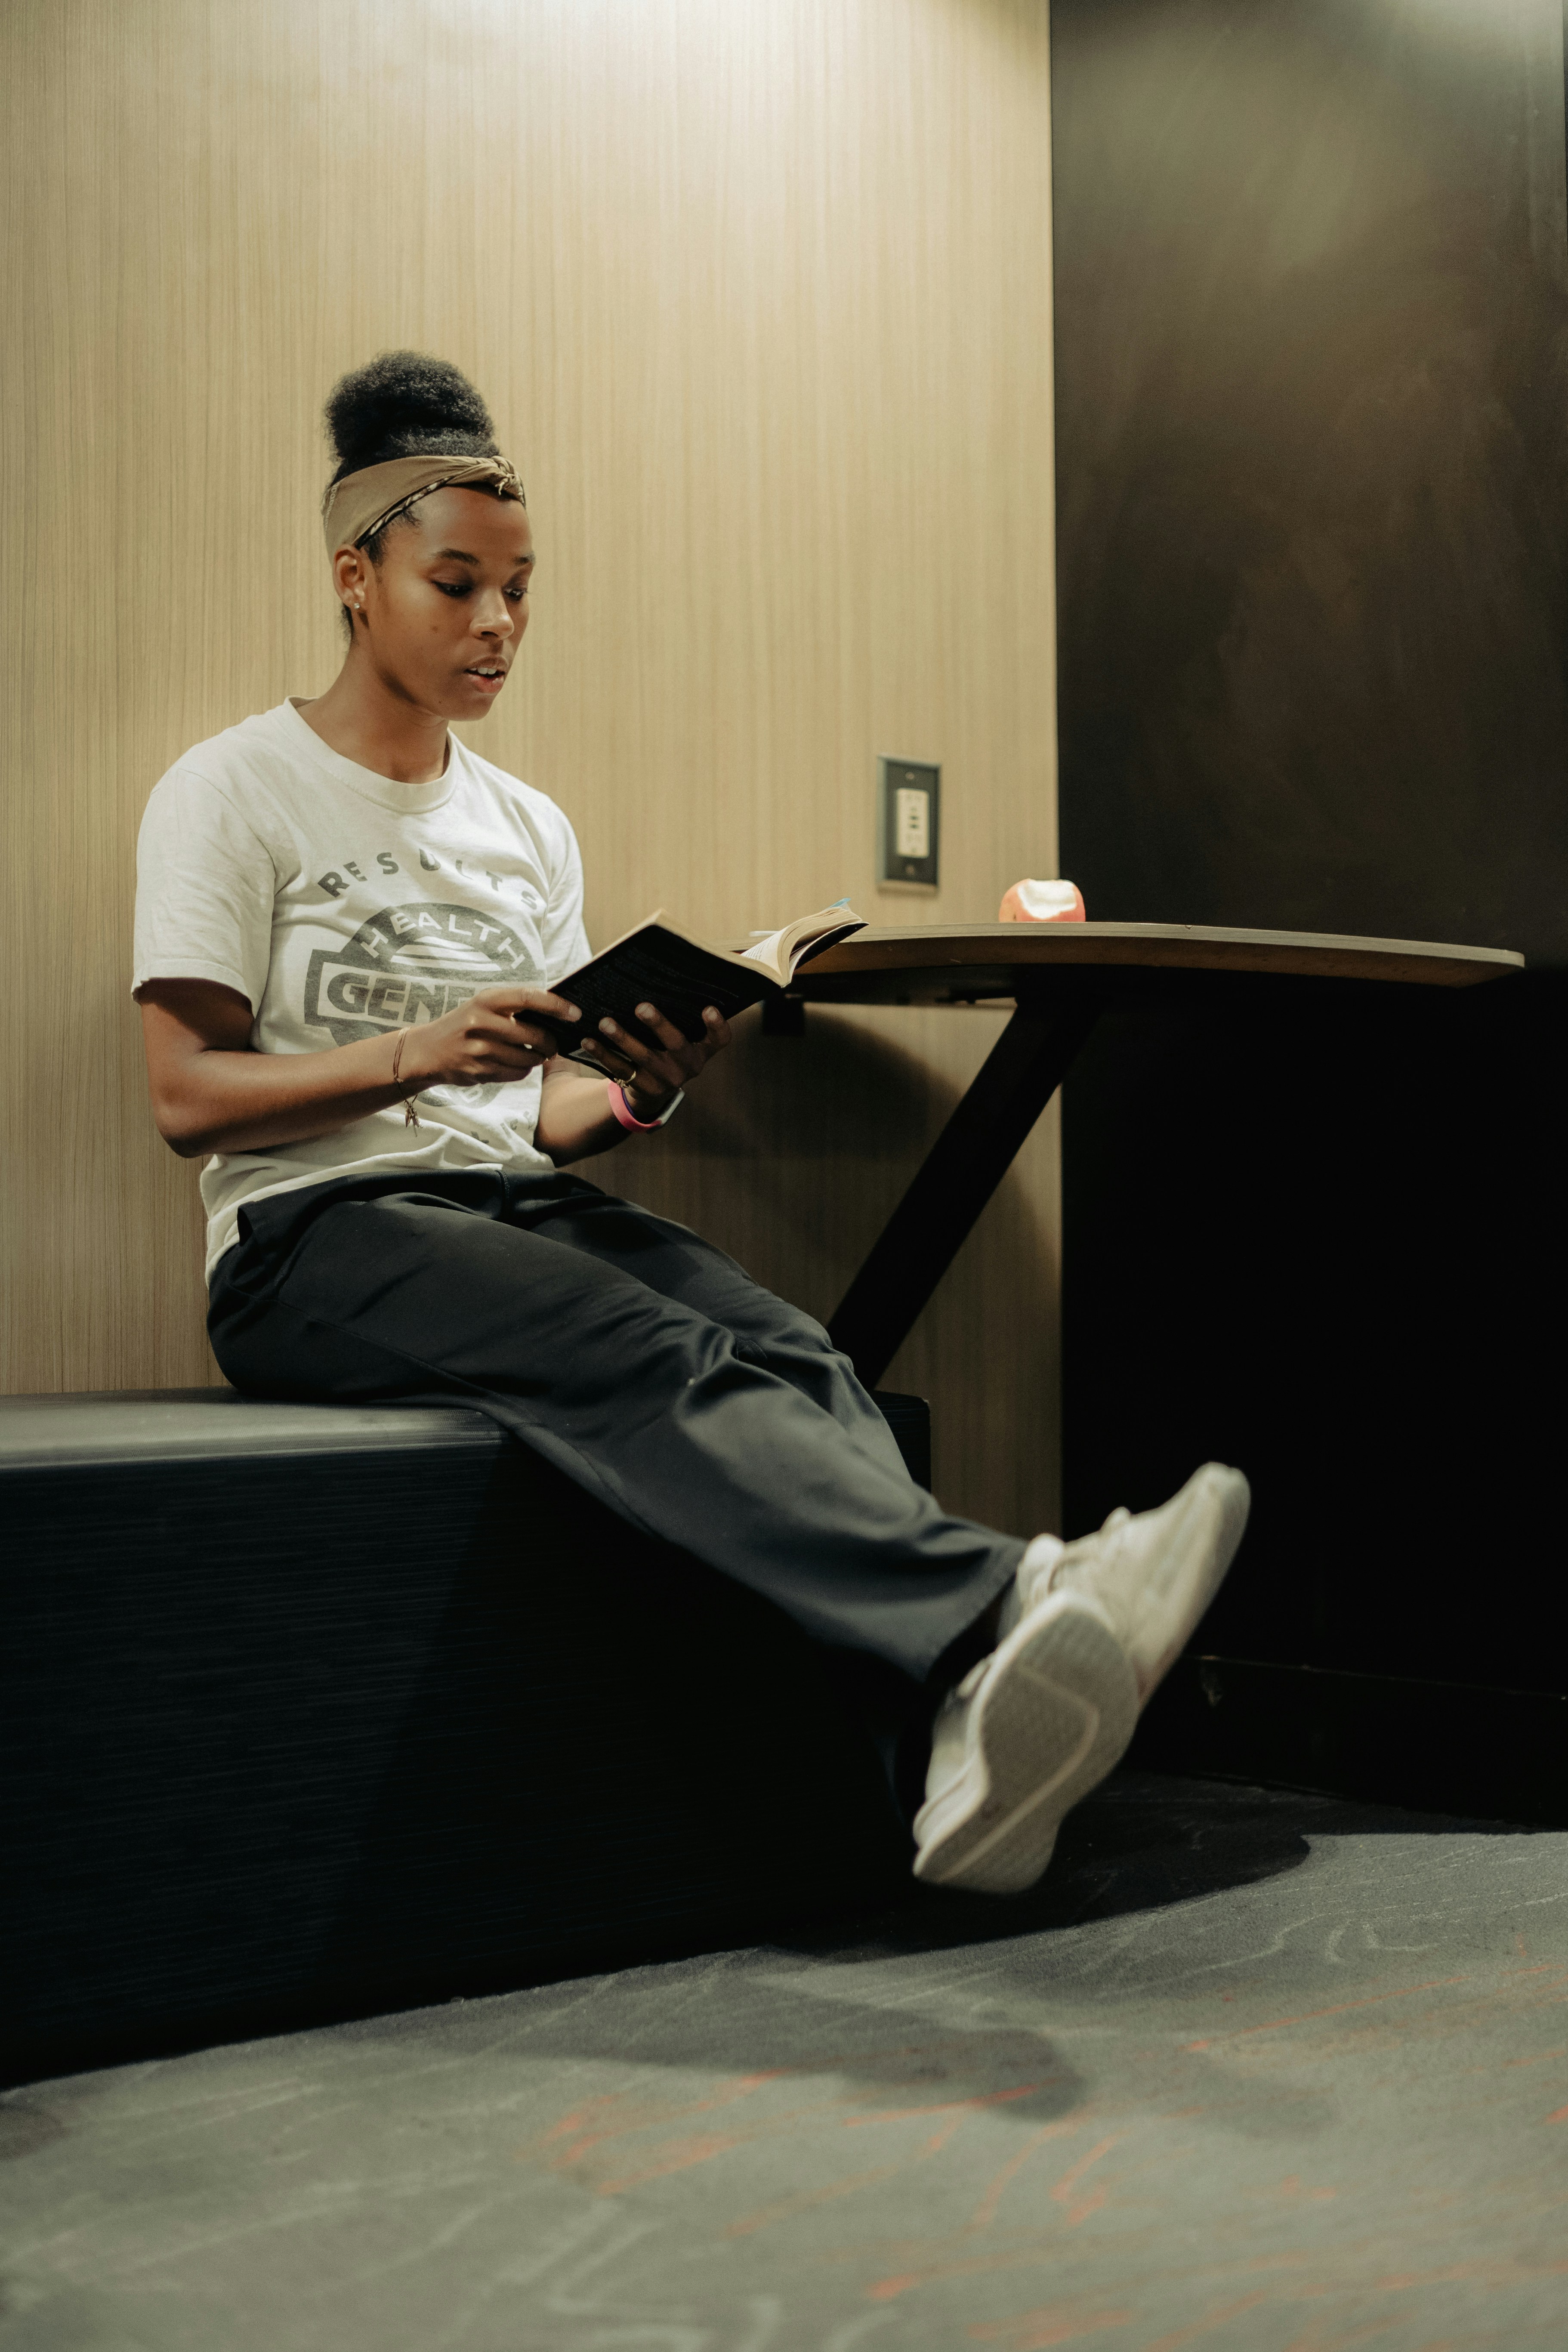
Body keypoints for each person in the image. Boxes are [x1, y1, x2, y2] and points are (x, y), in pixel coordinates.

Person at [133, 351, 1249, 1896]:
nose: (498, 625)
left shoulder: (528, 829)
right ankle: (1006, 1607)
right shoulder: (230, 790)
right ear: (356, 577)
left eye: (521, 590)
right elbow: (188, 1098)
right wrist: (415, 1050)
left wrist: (648, 1078)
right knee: (650, 1353)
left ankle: (943, 1772)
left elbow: (544, 1118)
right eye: (456, 585)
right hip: (309, 1238)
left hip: (499, 1207)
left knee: (797, 1352)